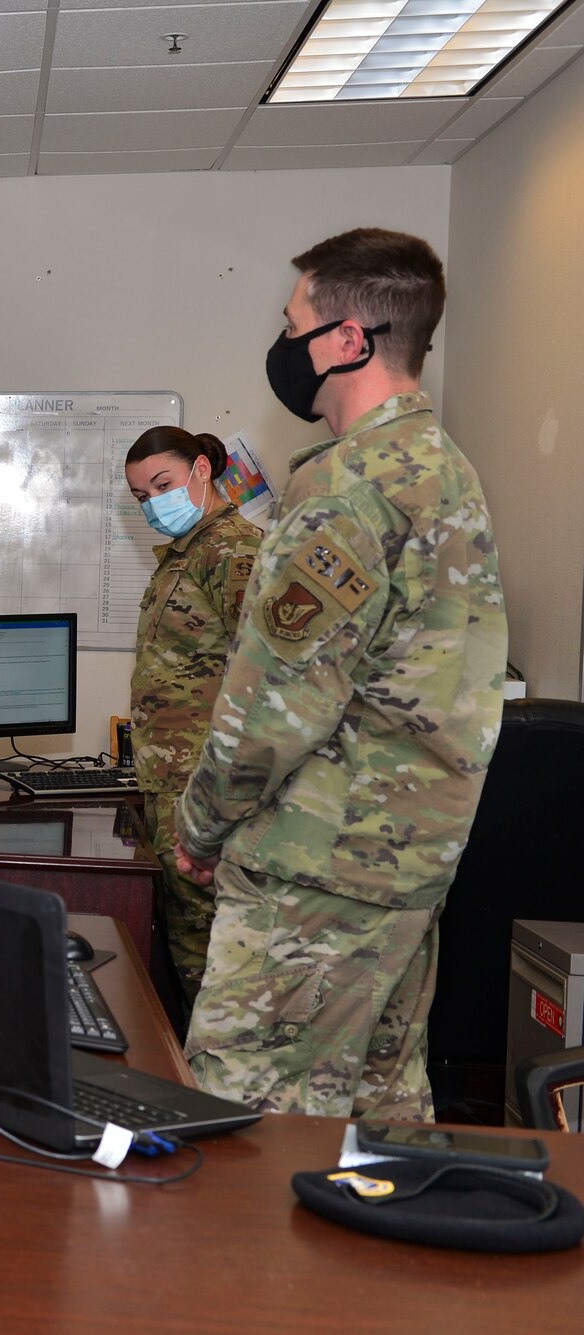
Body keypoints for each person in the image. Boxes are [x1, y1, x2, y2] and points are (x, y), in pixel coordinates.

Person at [174, 228, 507, 1119]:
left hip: (316, 874)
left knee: (243, 1136)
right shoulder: (445, 468)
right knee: (376, 1127)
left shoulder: (348, 486)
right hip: (402, 866)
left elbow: (274, 707)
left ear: (349, 340)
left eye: (293, 325)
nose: (282, 346)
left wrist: (199, 827)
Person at [124, 427, 264, 1005]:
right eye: (141, 497)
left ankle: (222, 1088)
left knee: (218, 970)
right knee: (191, 957)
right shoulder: (187, 554)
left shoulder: (234, 552)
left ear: (203, 470)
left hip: (211, 795)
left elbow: (265, 682)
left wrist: (221, 802)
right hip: (175, 793)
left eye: (163, 484)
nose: (154, 504)